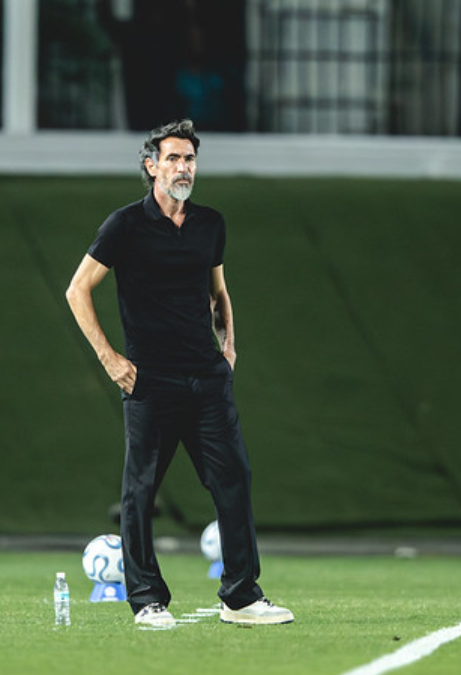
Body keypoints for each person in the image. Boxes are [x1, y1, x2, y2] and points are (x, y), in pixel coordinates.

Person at [65, 119, 293, 628]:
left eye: (189, 159)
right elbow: (77, 290)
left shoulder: (211, 223)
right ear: (151, 166)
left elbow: (218, 292)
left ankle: (240, 596)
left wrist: (228, 347)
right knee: (140, 490)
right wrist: (110, 358)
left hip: (207, 379)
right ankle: (146, 599)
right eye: (172, 158)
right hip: (152, 381)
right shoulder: (124, 225)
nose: (183, 167)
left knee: (234, 478)